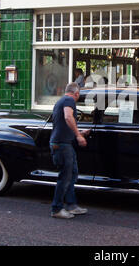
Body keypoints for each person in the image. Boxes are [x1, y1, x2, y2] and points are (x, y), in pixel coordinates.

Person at [49, 82, 89, 219]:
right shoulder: (68, 100)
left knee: (71, 174)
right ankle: (56, 209)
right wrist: (78, 135)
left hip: (63, 144)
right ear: (76, 93)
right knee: (65, 177)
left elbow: (62, 124)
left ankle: (71, 205)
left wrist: (79, 133)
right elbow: (67, 116)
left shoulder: (60, 101)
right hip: (62, 145)